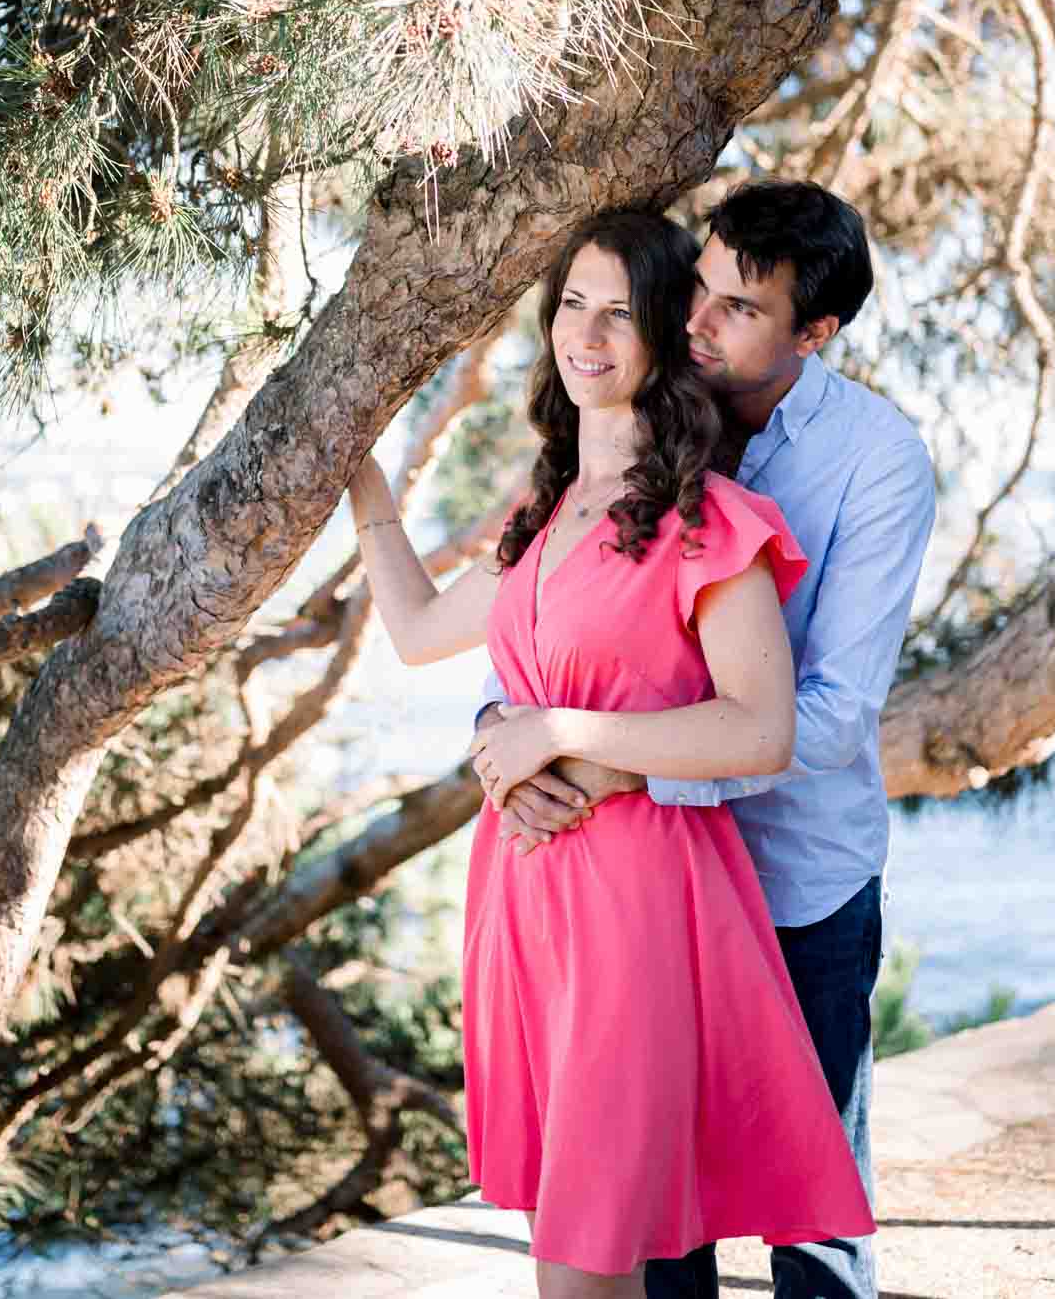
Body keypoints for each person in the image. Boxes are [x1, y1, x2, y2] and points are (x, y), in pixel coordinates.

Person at [348, 207, 873, 1299]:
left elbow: (760, 726)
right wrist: (357, 483)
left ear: (665, 334)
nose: (586, 334)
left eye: (620, 312)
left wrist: (565, 735)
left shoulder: (708, 518)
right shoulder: (543, 510)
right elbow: (414, 631)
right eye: (571, 304)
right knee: (580, 1258)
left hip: (636, 910)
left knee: (582, 1270)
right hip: (524, 906)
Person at [474, 180, 936, 1299]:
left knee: (806, 1225)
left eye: (736, 307)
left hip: (794, 882)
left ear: (812, 332)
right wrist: (500, 733)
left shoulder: (875, 461)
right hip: (648, 899)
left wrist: (596, 761)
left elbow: (819, 717)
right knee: (660, 1222)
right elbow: (544, 626)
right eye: (697, 290)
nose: (696, 322)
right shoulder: (639, 419)